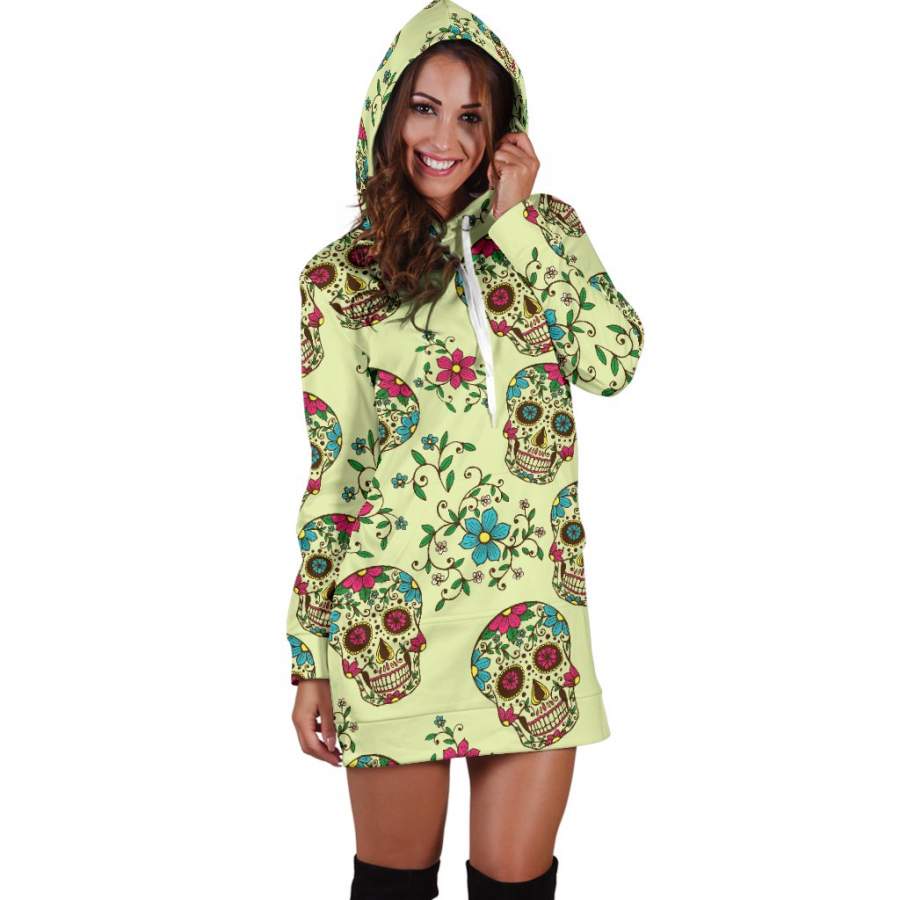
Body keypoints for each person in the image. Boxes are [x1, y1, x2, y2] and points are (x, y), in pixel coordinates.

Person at [286, 2, 645, 897]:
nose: (444, 138)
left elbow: (613, 362)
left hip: (535, 622)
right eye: (424, 108)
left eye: (470, 116)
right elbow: (336, 469)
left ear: (501, 132)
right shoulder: (337, 277)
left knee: (517, 886)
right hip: (389, 626)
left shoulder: (546, 229)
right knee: (393, 889)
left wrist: (516, 225)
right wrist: (308, 656)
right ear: (388, 115)